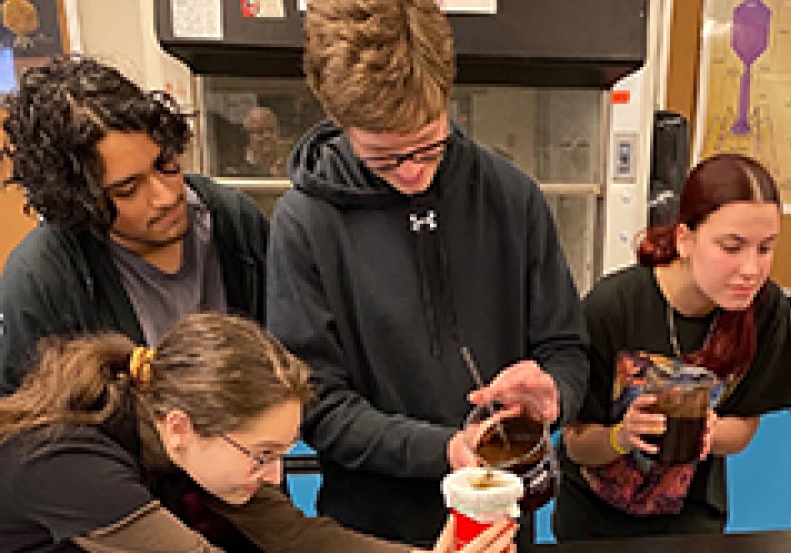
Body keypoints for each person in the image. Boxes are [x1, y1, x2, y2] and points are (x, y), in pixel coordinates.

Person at [267, 0, 589, 546]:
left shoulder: (510, 197)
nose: (413, 173)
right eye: (384, 158)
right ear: (340, 123)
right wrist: (445, 449)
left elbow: (567, 349)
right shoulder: (306, 223)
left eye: (429, 146)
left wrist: (553, 392)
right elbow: (316, 405)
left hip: (500, 526)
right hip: (371, 531)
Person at [0, 312, 516, 553]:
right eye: (261, 455)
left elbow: (300, 536)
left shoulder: (188, 438)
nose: (272, 477)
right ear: (180, 428)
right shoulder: (67, 463)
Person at [554, 153, 791, 539]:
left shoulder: (765, 310)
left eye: (765, 248)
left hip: (692, 518)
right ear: (685, 239)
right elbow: (576, 444)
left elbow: (745, 427)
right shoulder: (611, 308)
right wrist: (623, 435)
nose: (750, 269)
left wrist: (711, 433)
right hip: (596, 520)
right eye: (731, 247)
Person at [0, 56, 268, 395]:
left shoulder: (235, 222)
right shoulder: (41, 279)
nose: (166, 196)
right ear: (78, 202)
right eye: (128, 189)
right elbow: (26, 434)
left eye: (166, 163)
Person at [242, 106, 286, 177]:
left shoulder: (290, 164)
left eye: (271, 130)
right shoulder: (236, 167)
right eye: (260, 131)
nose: (267, 136)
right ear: (248, 136)